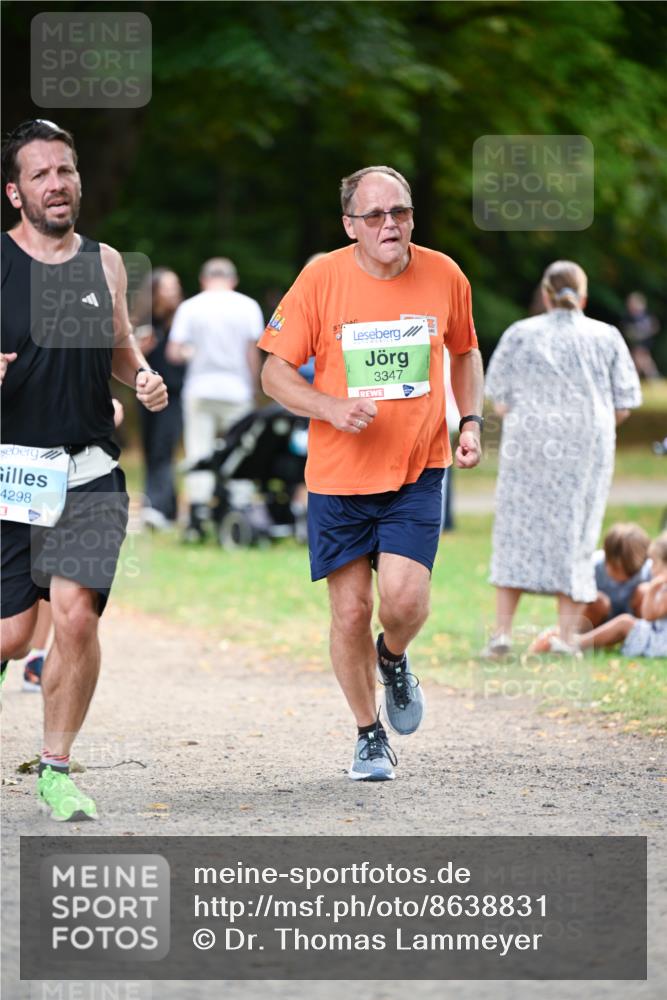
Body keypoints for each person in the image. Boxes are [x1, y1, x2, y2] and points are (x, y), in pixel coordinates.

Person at [259, 165, 483, 781]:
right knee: (351, 612)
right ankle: (367, 733)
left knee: (405, 604)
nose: (391, 225)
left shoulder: (444, 273)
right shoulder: (321, 277)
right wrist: (329, 407)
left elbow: (464, 351)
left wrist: (471, 422)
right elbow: (273, 373)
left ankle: (394, 658)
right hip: (339, 478)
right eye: (376, 215)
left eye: (401, 212)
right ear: (350, 225)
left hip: (416, 468)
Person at [0, 119, 167, 820]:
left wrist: (143, 377)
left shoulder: (103, 262)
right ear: (15, 192)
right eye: (39, 174)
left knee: (75, 618)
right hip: (12, 473)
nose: (56, 184)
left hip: (92, 469)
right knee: (11, 634)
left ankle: (57, 768)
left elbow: (121, 346)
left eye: (64, 170)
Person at [483, 260, 642, 658]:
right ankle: (567, 638)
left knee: (516, 530)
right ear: (583, 296)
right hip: (585, 448)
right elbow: (625, 402)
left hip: (529, 446)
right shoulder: (606, 336)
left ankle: (502, 634)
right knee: (578, 533)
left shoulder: (520, 334)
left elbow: (499, 399)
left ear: (545, 294)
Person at [166, 258, 264, 541]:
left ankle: (197, 511)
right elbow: (252, 352)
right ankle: (240, 505)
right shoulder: (247, 306)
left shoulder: (190, 307)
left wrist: (190, 354)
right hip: (236, 388)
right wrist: (253, 386)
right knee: (240, 449)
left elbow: (175, 351)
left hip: (200, 386)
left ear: (203, 279)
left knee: (199, 449)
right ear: (233, 280)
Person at [532, 532, 667, 658]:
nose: (651, 567)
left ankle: (573, 643)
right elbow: (569, 595)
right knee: (600, 603)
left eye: (655, 563)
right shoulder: (592, 565)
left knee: (629, 613)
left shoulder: (647, 569)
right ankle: (570, 637)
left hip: (652, 633)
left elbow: (650, 615)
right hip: (598, 620)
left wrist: (652, 588)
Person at [132, 267, 184, 530]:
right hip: (146, 395)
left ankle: (155, 507)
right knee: (152, 450)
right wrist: (141, 349)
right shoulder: (145, 321)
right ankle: (169, 509)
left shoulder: (184, 319)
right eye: (166, 287)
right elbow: (127, 358)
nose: (172, 293)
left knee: (164, 449)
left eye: (175, 287)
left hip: (175, 394)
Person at [584, 523, 652, 629]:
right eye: (616, 569)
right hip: (599, 622)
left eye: (631, 573)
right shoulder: (592, 565)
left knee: (646, 591)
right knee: (596, 600)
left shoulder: (649, 569)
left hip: (633, 620)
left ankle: (642, 635)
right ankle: (584, 636)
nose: (623, 577)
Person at [621, 291, 661, 380]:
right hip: (634, 343)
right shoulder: (628, 317)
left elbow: (655, 327)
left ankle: (649, 377)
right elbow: (628, 332)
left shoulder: (647, 315)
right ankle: (651, 377)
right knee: (639, 361)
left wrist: (643, 333)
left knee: (641, 359)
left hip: (644, 342)